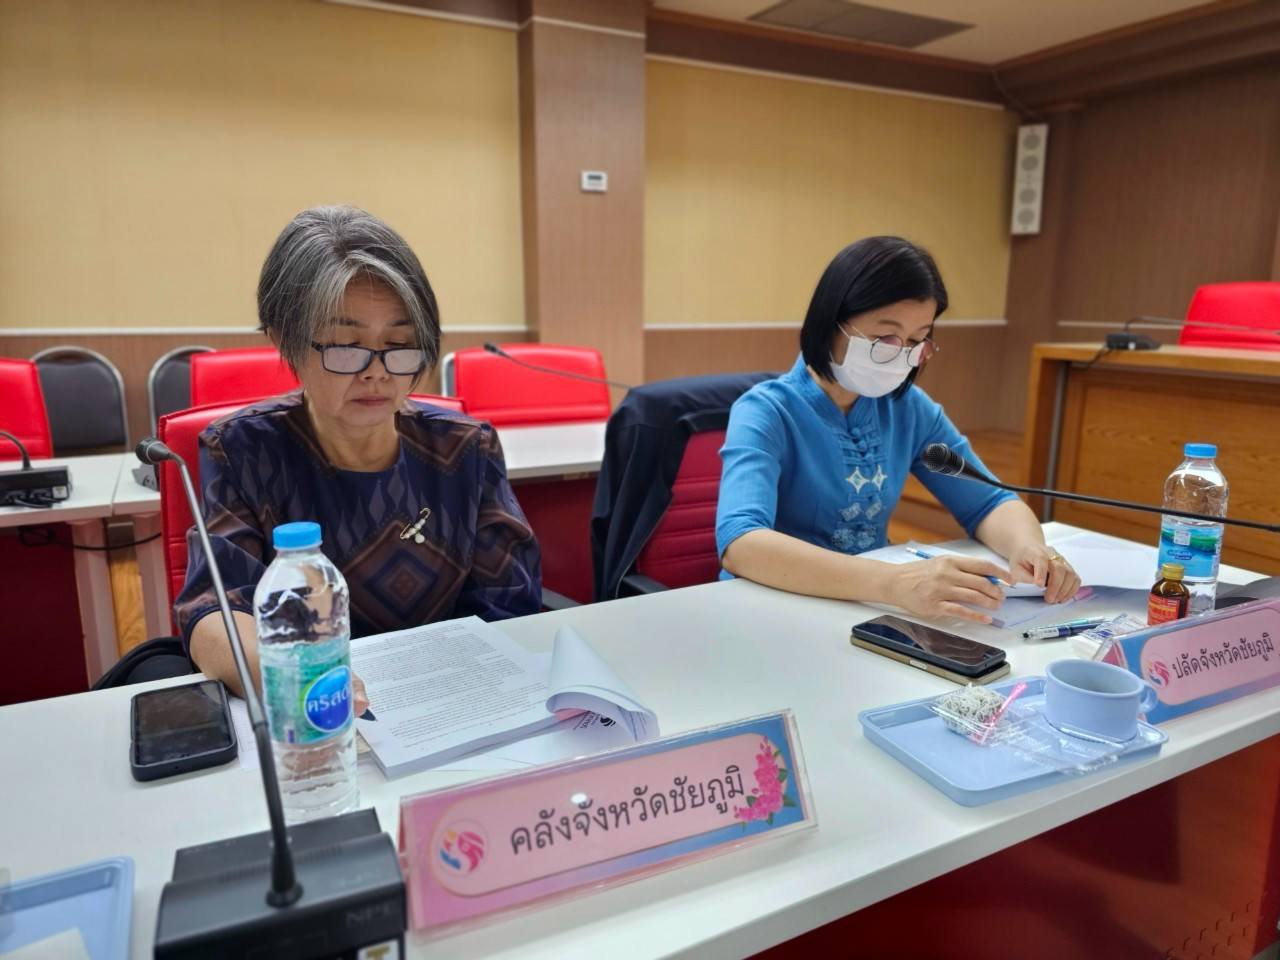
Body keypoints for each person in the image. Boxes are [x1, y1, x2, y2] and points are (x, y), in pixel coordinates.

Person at [174, 205, 541, 709]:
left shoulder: (465, 448)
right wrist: (303, 684)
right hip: (317, 713)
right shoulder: (243, 450)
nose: (377, 373)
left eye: (400, 345)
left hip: (452, 701)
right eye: (347, 345)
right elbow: (215, 609)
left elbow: (509, 605)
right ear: (284, 341)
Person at [716, 236, 1081, 624]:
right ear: (831, 323)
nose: (900, 355)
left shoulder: (907, 409)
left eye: (916, 340)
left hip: (864, 610)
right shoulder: (766, 411)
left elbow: (988, 501)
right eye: (883, 338)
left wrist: (1030, 547)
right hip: (774, 608)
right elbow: (742, 542)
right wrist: (893, 583)